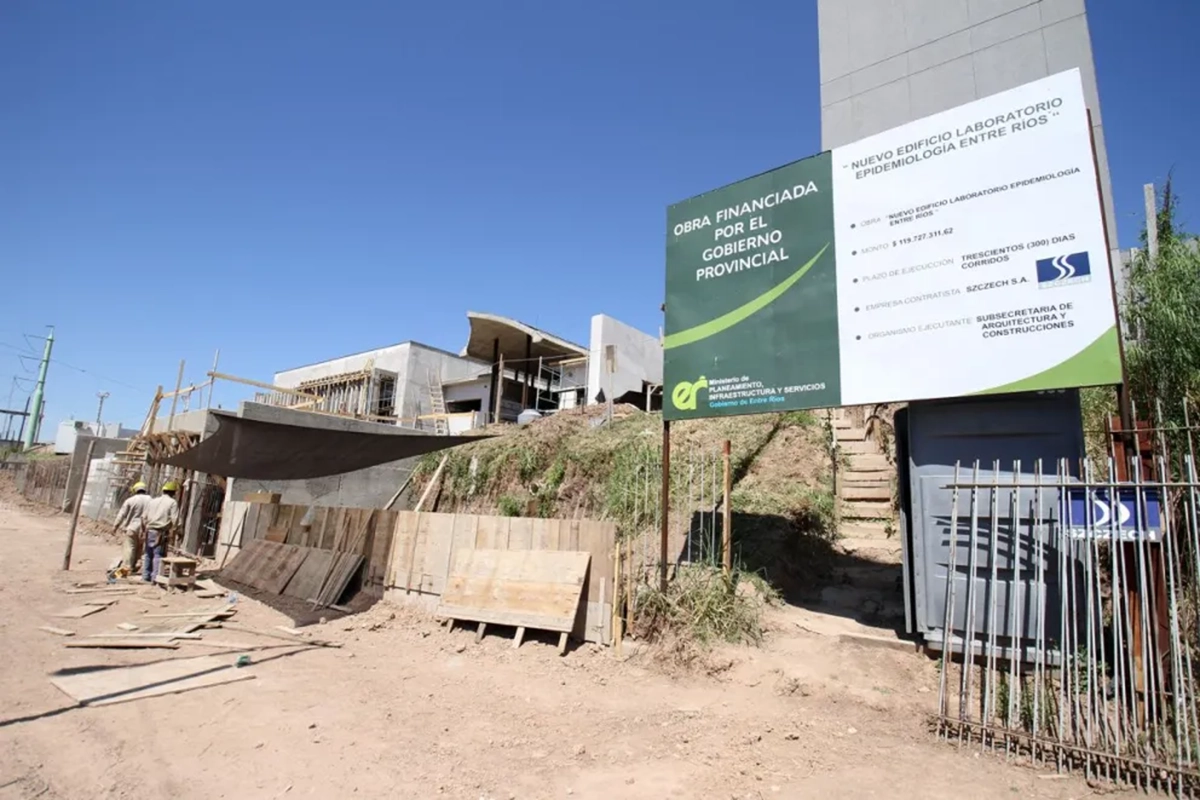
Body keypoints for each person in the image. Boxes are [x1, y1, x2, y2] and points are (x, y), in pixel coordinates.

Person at [142, 480, 181, 583]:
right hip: (161, 532)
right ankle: (155, 578)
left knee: (148, 554)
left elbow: (143, 517)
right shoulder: (172, 502)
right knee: (158, 555)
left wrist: (144, 529)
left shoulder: (152, 501)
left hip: (149, 530)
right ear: (173, 492)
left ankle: (146, 576)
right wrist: (177, 531)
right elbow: (175, 519)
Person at [112, 480, 151, 573]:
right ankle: (137, 564)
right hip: (145, 528)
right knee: (140, 547)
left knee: (129, 548)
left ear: (135, 490)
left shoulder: (130, 500)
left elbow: (121, 514)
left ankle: (127, 568)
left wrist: (115, 526)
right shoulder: (150, 500)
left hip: (132, 527)